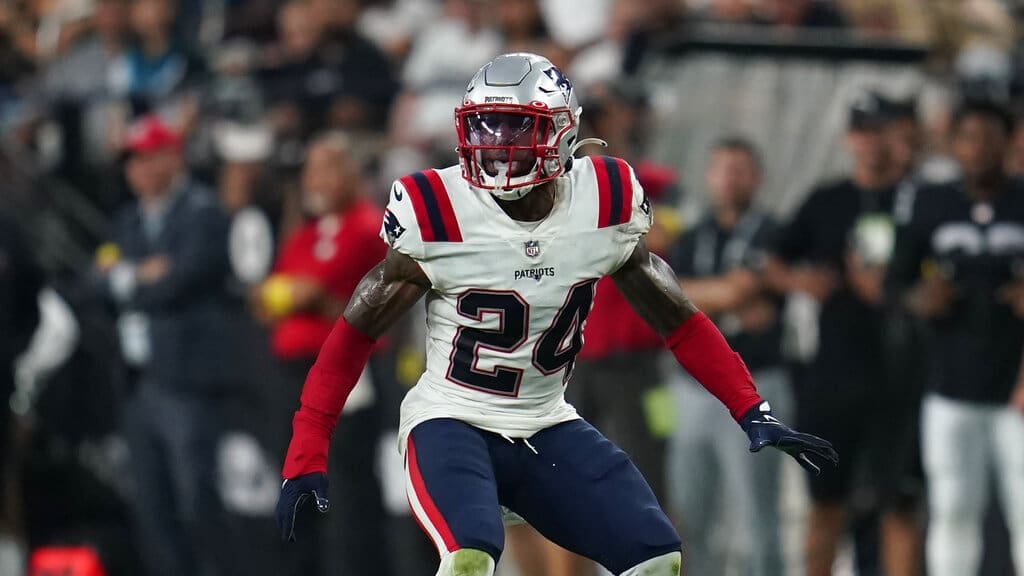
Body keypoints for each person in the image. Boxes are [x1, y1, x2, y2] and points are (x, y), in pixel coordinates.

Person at [274, 53, 836, 576]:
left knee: (657, 556)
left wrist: (750, 407)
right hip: (451, 421)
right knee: (470, 555)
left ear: (564, 132)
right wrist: (306, 452)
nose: (498, 144)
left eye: (518, 126)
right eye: (486, 126)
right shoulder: (437, 210)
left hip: (547, 421)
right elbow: (351, 336)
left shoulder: (604, 199)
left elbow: (679, 320)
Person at [94, 115, 239, 576]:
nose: (136, 169)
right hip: (137, 382)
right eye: (131, 160)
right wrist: (143, 273)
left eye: (146, 157)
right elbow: (93, 283)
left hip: (186, 379)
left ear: (172, 157)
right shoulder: (127, 220)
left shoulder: (202, 211)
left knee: (196, 498)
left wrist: (126, 278)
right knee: (151, 505)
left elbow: (183, 279)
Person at [888, 100, 1024, 576]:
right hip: (949, 383)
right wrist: (922, 296)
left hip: (1017, 387)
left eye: (990, 137)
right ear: (954, 145)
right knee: (952, 510)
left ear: (1010, 142)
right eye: (969, 137)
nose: (980, 148)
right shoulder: (932, 201)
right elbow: (897, 282)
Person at [764, 90, 897, 576]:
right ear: (849, 139)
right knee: (826, 502)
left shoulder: (917, 196)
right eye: (864, 132)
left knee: (897, 503)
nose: (873, 143)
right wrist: (803, 281)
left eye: (881, 131)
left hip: (901, 374)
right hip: (833, 374)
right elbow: (772, 261)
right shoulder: (828, 200)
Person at [254, 132, 387, 575]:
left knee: (342, 492)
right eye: (310, 169)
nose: (314, 179)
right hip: (290, 375)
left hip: (339, 375)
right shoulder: (305, 234)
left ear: (352, 171)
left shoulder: (369, 225)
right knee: (296, 484)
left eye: (326, 166)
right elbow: (264, 300)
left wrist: (292, 294)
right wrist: (294, 295)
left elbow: (312, 288)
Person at [667, 137, 790, 576]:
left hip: (755, 387)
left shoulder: (777, 231)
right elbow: (673, 297)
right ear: (708, 176)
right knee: (690, 512)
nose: (730, 178)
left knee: (758, 511)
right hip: (694, 390)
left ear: (756, 177)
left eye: (740, 169)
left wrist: (705, 297)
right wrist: (727, 295)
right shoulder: (693, 235)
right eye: (722, 168)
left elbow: (725, 293)